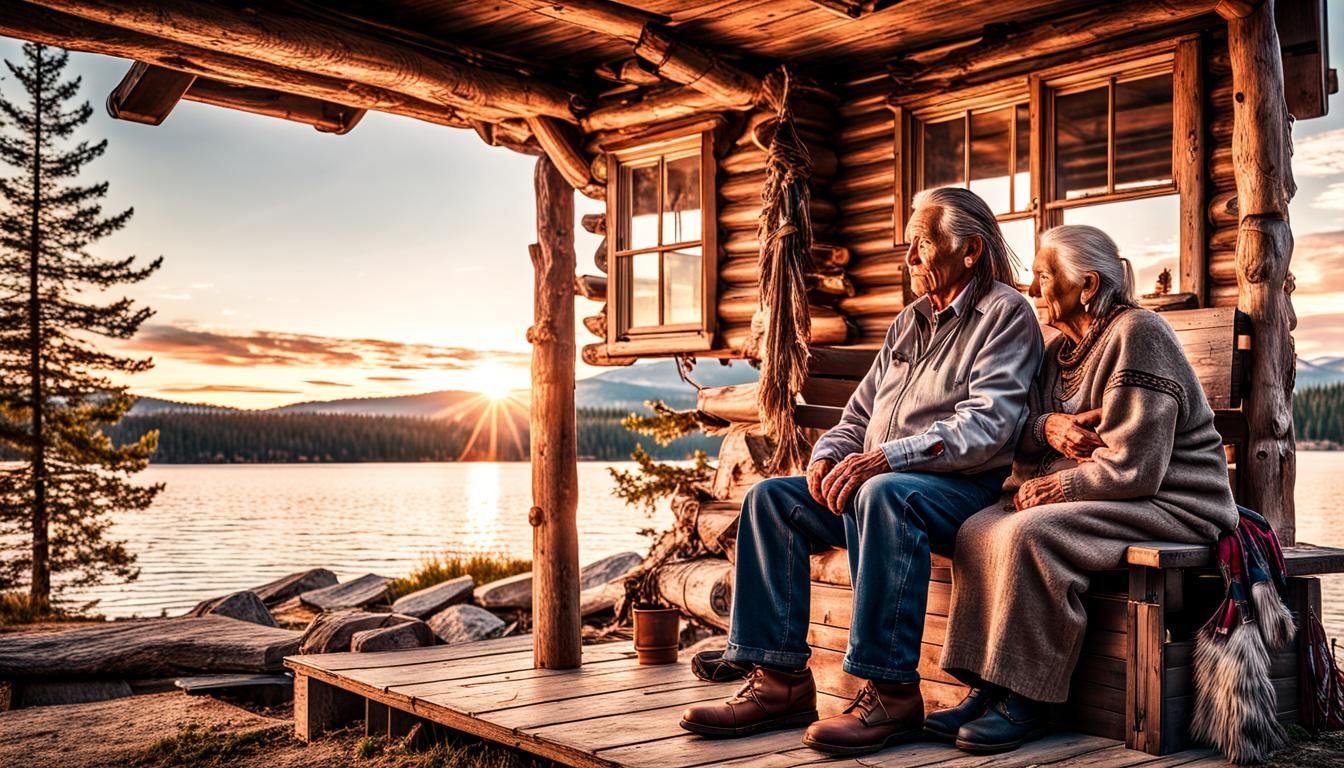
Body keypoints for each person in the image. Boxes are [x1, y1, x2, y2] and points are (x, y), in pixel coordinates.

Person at [679, 187, 1044, 757]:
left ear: (970, 250)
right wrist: (827, 457)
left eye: (923, 244)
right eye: (909, 246)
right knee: (772, 501)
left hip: (963, 490)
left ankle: (891, 692)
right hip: (887, 485)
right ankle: (779, 683)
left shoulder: (1005, 316)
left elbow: (988, 427)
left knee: (884, 494)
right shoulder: (908, 323)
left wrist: (885, 459)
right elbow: (858, 417)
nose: (910, 259)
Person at [931, 225, 1240, 754]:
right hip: (1115, 495)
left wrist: (1057, 488)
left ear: (1088, 285)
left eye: (1044, 276)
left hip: (1175, 501)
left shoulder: (1138, 333)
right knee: (980, 526)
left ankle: (1029, 698)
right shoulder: (1058, 352)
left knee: (1032, 533)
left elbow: (1137, 467)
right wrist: (1049, 426)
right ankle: (987, 683)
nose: (1032, 288)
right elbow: (1024, 428)